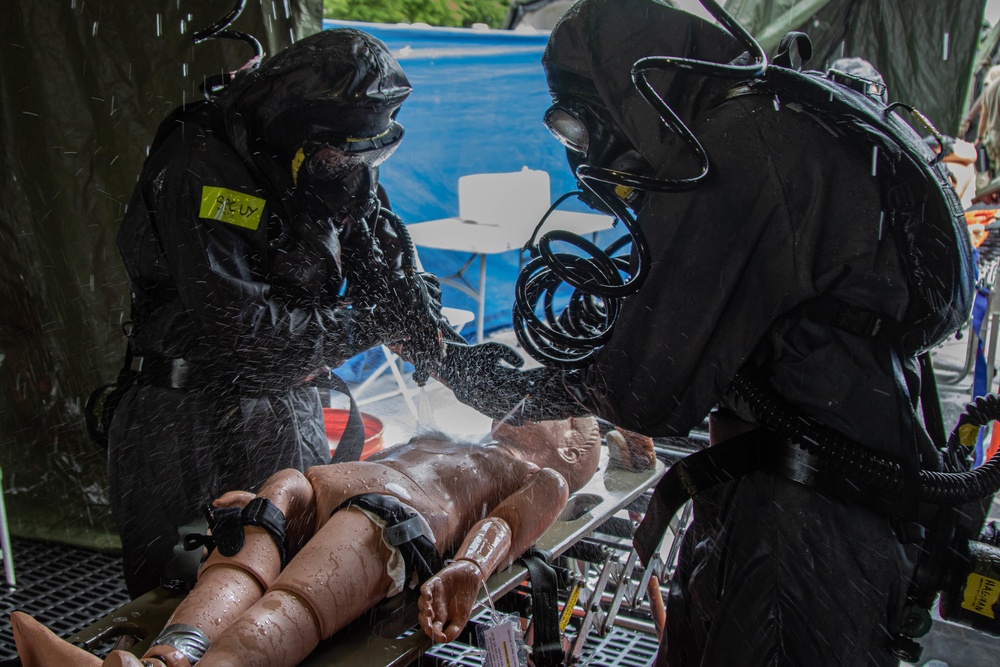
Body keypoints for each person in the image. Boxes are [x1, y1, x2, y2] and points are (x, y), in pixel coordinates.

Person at [417, 0, 975, 665]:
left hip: (801, 529)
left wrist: (486, 377)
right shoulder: (758, 125)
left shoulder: (739, 150)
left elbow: (644, 389)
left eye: (587, 122)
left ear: (630, 87)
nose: (589, 152)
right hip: (791, 495)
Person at [105, 27, 450, 599]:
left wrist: (423, 324)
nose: (355, 165)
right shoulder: (201, 165)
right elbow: (254, 344)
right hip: (187, 423)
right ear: (299, 130)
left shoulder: (332, 156)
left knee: (295, 596)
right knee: (185, 606)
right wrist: (377, 321)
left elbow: (374, 254)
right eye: (345, 150)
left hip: (288, 414)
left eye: (372, 151)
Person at [10, 416, 654, 666]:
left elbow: (508, 528)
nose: (538, 409)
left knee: (294, 597)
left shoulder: (539, 476)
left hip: (394, 514)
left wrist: (468, 569)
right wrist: (269, 504)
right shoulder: (460, 437)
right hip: (328, 487)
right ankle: (173, 654)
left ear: (574, 451)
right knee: (258, 521)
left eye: (567, 422)